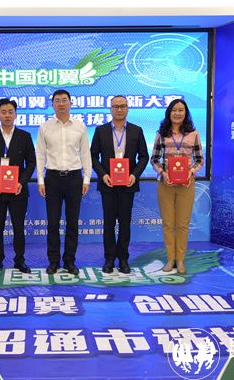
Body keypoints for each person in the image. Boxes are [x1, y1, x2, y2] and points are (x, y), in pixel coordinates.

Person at [90, 95, 149, 274]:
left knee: (124, 223)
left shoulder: (136, 130)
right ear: (110, 109)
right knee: (108, 223)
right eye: (116, 106)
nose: (119, 109)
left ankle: (123, 259)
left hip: (127, 184)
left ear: (127, 108)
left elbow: (144, 157)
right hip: (108, 184)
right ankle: (109, 259)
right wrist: (103, 175)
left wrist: (134, 175)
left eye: (122, 106)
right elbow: (93, 156)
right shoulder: (100, 131)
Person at [36, 89, 92, 275]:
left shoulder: (80, 126)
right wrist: (40, 180)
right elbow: (40, 155)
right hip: (52, 178)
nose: (61, 104)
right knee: (53, 223)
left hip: (74, 178)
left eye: (64, 100)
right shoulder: (45, 127)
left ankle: (70, 261)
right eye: (57, 101)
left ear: (70, 103)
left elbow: (85, 153)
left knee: (72, 223)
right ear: (52, 104)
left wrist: (86, 178)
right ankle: (53, 261)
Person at [150, 99, 203, 275]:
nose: (177, 113)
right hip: (165, 184)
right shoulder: (162, 134)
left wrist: (192, 171)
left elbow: (199, 159)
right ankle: (170, 259)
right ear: (169, 113)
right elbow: (154, 159)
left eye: (181, 110)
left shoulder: (193, 134)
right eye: (174, 110)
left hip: (186, 184)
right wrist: (162, 172)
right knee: (167, 223)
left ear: (185, 113)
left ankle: (180, 259)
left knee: (182, 224)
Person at [0, 99, 36, 274]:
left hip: (18, 191)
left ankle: (20, 260)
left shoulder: (25, 136)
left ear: (15, 114)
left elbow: (31, 163)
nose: (7, 115)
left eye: (10, 111)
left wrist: (22, 182)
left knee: (18, 228)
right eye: (3, 112)